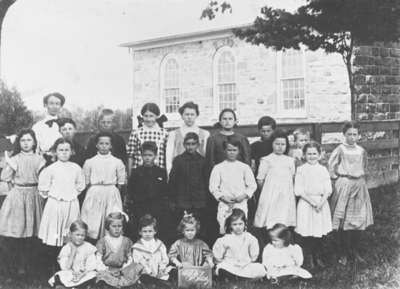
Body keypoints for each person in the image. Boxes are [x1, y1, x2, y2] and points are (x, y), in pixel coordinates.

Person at [0, 129, 45, 275]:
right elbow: (6, 177)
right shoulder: (15, 159)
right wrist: (8, 163)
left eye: (29, 140)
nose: (26, 143)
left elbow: (44, 179)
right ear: (19, 143)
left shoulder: (40, 159)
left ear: (34, 142)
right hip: (18, 196)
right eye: (23, 140)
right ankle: (18, 265)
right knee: (18, 231)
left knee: (33, 232)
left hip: (34, 195)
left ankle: (32, 264)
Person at [328, 121, 373, 265]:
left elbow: (365, 166)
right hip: (345, 184)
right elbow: (332, 166)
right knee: (343, 220)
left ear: (359, 135)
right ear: (344, 135)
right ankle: (343, 252)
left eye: (355, 134)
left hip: (359, 185)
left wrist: (360, 179)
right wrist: (339, 180)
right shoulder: (340, 149)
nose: (352, 137)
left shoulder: (361, 150)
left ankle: (354, 250)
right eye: (349, 134)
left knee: (358, 218)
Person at [38, 138, 85, 252]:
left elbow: (80, 185)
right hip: (55, 205)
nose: (64, 152)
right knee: (55, 233)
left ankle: (67, 259)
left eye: (67, 150)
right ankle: (54, 259)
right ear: (55, 152)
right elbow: (43, 187)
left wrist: (71, 195)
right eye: (61, 150)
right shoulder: (50, 169)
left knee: (70, 232)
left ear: (71, 151)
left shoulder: (76, 168)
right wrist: (55, 196)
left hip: (71, 204)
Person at [81, 132, 126, 241]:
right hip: (94, 192)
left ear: (111, 145)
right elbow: (86, 182)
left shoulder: (117, 162)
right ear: (96, 145)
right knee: (92, 221)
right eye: (101, 143)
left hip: (111, 192)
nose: (104, 146)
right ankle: (93, 244)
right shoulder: (89, 162)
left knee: (111, 218)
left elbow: (121, 182)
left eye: (107, 143)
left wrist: (115, 194)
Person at [295, 141, 332, 268]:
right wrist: (312, 202)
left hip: (321, 203)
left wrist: (321, 203)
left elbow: (328, 189)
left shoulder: (322, 170)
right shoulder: (301, 170)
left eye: (314, 153)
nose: (312, 156)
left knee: (319, 230)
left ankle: (318, 255)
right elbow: (298, 190)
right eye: (309, 154)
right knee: (307, 231)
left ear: (319, 154)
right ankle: (308, 257)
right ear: (304, 155)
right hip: (306, 203)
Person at [209, 139, 256, 234]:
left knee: (240, 228)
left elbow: (252, 185)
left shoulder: (244, 167)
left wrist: (243, 196)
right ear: (224, 151)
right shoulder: (218, 168)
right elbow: (213, 187)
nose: (231, 152)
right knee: (225, 228)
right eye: (229, 150)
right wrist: (222, 197)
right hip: (225, 204)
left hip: (240, 203)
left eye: (234, 150)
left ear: (239, 151)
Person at [168, 132, 209, 240]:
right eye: (188, 144)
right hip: (182, 202)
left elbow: (206, 182)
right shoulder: (178, 160)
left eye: (193, 144)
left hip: (199, 203)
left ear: (197, 145)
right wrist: (173, 201)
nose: (190, 147)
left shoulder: (203, 161)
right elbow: (172, 182)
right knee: (183, 230)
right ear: (184, 145)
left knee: (199, 230)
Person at [125, 141, 169, 241]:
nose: (147, 158)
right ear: (141, 155)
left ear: (155, 156)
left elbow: (164, 192)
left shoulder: (161, 172)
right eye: (145, 155)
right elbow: (131, 191)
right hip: (140, 208)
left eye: (150, 155)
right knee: (140, 229)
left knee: (156, 229)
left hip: (157, 208)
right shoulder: (136, 172)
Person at [253, 129, 296, 230]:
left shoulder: (290, 161)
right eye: (277, 144)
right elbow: (260, 179)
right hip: (270, 194)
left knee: (284, 216)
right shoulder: (266, 160)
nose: (280, 147)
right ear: (272, 144)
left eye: (283, 144)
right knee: (270, 216)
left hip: (286, 194)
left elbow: (292, 177)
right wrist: (267, 191)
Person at [212, 209, 266, 281]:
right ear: (230, 225)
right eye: (235, 224)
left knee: (260, 268)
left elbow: (254, 255)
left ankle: (238, 277)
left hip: (245, 266)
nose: (238, 227)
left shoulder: (250, 238)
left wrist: (248, 261)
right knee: (221, 267)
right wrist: (223, 262)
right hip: (230, 265)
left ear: (244, 224)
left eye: (240, 224)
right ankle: (240, 277)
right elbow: (218, 256)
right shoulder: (225, 239)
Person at [96, 212, 143, 288]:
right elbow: (98, 260)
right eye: (114, 226)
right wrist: (106, 270)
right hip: (107, 270)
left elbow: (129, 259)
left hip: (123, 270)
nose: (117, 229)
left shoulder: (127, 241)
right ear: (108, 226)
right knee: (103, 279)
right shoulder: (102, 242)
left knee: (135, 269)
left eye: (119, 226)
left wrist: (123, 270)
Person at [48, 220, 99, 288]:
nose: (80, 238)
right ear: (70, 234)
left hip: (84, 273)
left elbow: (91, 265)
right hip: (70, 273)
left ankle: (78, 286)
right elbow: (65, 267)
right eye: (77, 235)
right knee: (60, 275)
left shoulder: (88, 247)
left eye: (82, 235)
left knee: (93, 275)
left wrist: (82, 274)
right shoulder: (66, 248)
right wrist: (73, 252)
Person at [165, 101, 209, 175]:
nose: (189, 117)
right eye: (187, 114)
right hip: (180, 172)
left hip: (199, 173)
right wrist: (170, 173)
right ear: (182, 116)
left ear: (196, 115)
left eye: (192, 114)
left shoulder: (205, 134)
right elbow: (169, 157)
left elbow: (206, 155)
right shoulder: (173, 134)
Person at [131, 215, 173, 289]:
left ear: (155, 231)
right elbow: (139, 262)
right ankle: (155, 282)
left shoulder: (159, 244)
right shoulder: (137, 247)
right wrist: (149, 271)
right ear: (140, 232)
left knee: (170, 274)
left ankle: (159, 282)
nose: (147, 234)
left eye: (150, 231)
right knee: (145, 279)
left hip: (159, 271)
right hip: (146, 273)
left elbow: (164, 258)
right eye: (144, 231)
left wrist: (162, 268)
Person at [127, 103, 168, 176]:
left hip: (159, 173)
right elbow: (130, 156)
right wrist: (130, 175)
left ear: (157, 116)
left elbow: (166, 156)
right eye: (146, 116)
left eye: (151, 116)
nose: (148, 119)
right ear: (142, 116)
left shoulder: (164, 133)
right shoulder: (136, 133)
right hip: (139, 174)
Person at [32, 92, 65, 159]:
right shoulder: (37, 127)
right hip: (43, 160)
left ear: (61, 106)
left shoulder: (65, 125)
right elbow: (35, 148)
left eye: (57, 104)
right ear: (45, 105)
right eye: (51, 103)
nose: (54, 106)